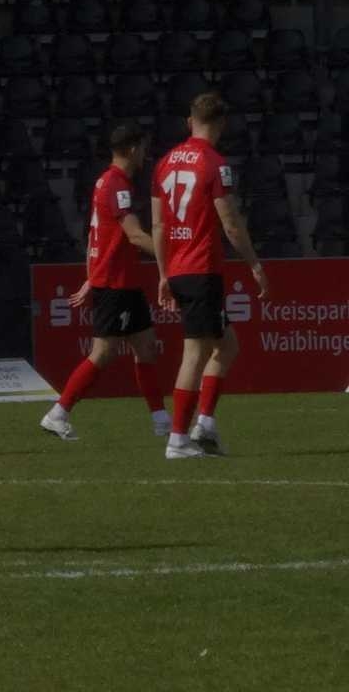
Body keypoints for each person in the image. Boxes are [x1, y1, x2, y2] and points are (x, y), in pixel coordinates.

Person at [152, 93, 268, 459]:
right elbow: (230, 222)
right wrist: (254, 263)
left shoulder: (164, 163)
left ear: (190, 121)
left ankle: (205, 425)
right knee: (196, 352)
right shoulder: (215, 164)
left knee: (227, 345)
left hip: (178, 267)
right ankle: (178, 440)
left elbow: (158, 225)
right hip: (201, 267)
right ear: (221, 124)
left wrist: (163, 273)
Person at [41, 121, 170, 440]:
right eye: (142, 147)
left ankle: (161, 420)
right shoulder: (118, 186)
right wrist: (173, 256)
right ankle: (58, 413)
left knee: (146, 347)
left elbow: (94, 237)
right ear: (132, 149)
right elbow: (135, 235)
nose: (145, 154)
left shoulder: (105, 181)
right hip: (116, 283)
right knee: (103, 352)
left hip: (121, 280)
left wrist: (90, 277)